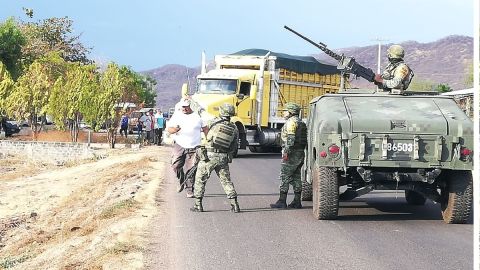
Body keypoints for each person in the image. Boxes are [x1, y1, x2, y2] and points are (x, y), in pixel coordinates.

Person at [190, 104, 240, 213]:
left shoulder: (212, 122)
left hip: (209, 156)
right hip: (223, 158)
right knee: (226, 181)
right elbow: (234, 146)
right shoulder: (234, 128)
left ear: (221, 112)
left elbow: (204, 129)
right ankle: (234, 204)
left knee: (200, 179)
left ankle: (198, 205)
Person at [167, 99, 208, 198]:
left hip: (194, 146)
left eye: (186, 107)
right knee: (175, 165)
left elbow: (205, 129)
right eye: (182, 107)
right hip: (180, 145)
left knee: (191, 169)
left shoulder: (198, 116)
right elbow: (169, 129)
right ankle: (182, 181)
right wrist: (175, 130)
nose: (184, 109)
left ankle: (189, 190)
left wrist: (208, 141)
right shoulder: (177, 115)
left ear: (190, 106)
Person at [270, 102, 307, 209]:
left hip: (292, 153)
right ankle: (297, 201)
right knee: (296, 177)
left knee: (284, 176)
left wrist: (286, 152)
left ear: (291, 112)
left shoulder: (291, 122)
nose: (284, 113)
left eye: (285, 111)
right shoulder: (301, 122)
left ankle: (282, 201)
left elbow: (290, 139)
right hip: (300, 152)